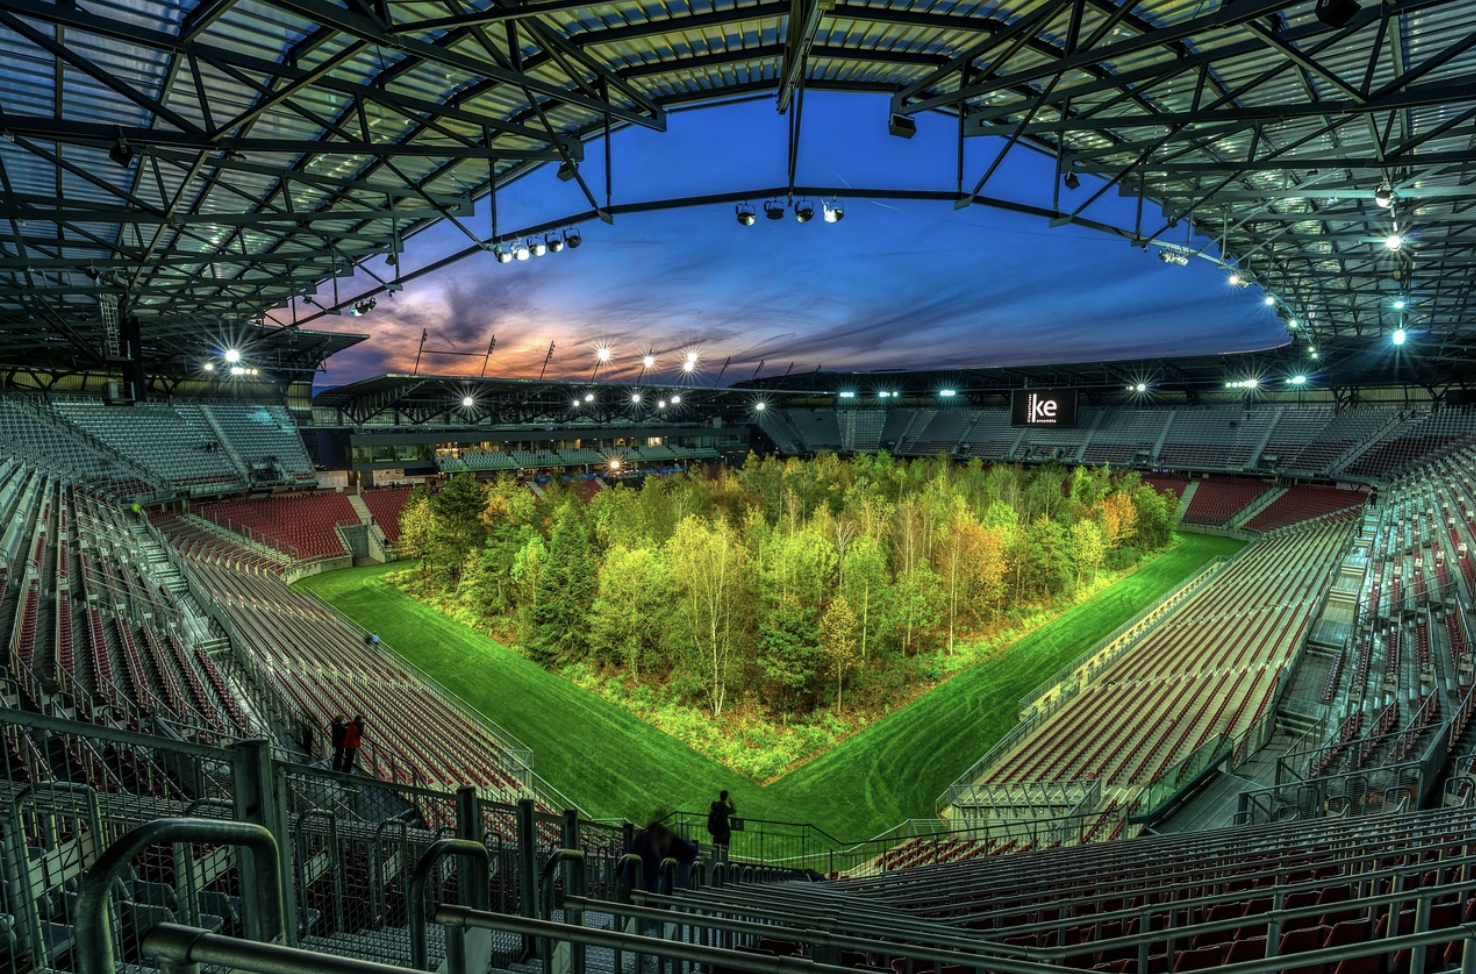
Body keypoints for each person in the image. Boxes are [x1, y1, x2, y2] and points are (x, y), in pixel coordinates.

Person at [630, 818, 698, 897]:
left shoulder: (672, 841)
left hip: (663, 891)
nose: (662, 842)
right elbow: (632, 866)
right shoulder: (642, 841)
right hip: (645, 890)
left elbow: (689, 852)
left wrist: (695, 857)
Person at [706, 790, 735, 860]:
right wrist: (730, 804)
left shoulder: (715, 805)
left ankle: (714, 863)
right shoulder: (726, 808)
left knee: (715, 847)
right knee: (724, 849)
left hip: (716, 831)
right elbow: (733, 811)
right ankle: (723, 865)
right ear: (726, 797)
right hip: (724, 832)